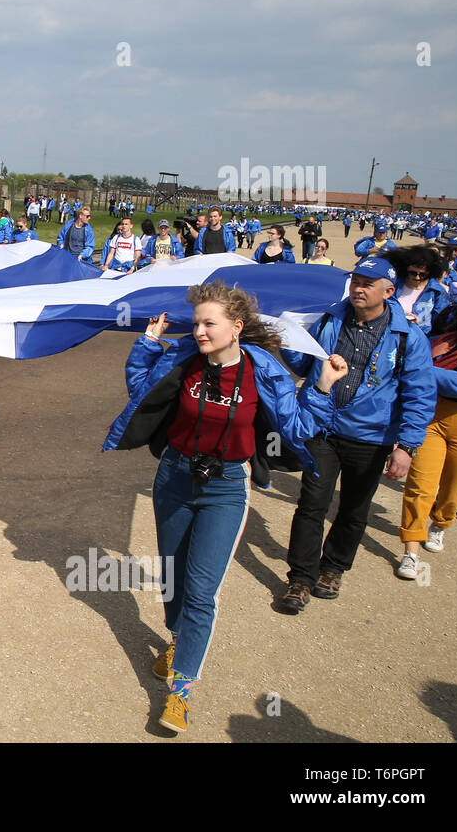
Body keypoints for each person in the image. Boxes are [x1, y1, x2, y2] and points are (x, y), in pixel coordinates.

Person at [104, 283, 346, 733]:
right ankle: (177, 641)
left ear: (235, 328)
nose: (198, 330)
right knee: (173, 576)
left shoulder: (263, 370)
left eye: (208, 323)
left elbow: (298, 424)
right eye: (196, 322)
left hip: (227, 487)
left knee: (201, 590)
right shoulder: (183, 360)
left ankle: (180, 692)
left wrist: (323, 387)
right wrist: (147, 344)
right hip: (174, 477)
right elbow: (142, 390)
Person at [277, 257, 436, 613]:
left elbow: (420, 394)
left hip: (371, 435)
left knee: (353, 508)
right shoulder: (332, 317)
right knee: (311, 503)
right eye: (356, 281)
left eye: (368, 283)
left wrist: (406, 447)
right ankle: (300, 578)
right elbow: (306, 364)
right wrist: (287, 338)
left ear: (389, 291)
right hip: (323, 428)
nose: (358, 288)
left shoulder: (408, 335)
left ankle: (332, 568)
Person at [395, 294, 457, 581]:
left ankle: (441, 523)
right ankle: (411, 551)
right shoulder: (443, 341)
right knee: (420, 484)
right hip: (431, 415)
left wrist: (420, 371)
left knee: (454, 486)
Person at [387, 246, 452, 336]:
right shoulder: (394, 284)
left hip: (419, 337)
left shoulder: (438, 292)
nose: (417, 277)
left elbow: (440, 321)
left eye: (422, 274)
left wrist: (419, 323)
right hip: (389, 333)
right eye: (413, 273)